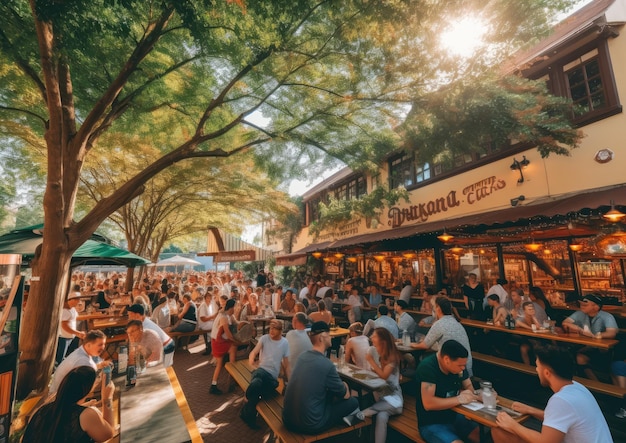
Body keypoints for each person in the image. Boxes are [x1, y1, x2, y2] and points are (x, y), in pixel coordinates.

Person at [493, 344, 612, 443]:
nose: (536, 370)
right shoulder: (577, 387)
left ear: (547, 373)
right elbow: (561, 417)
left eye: (537, 366)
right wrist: (531, 410)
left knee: (500, 433)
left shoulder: (561, 400)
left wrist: (513, 425)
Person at [283, 321, 361, 433]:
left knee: (327, 395)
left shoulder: (302, 357)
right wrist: (345, 385)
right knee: (353, 402)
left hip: (288, 420)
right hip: (310, 424)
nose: (331, 338)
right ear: (321, 337)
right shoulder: (327, 364)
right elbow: (345, 395)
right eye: (328, 335)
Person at [23, 366, 116, 443]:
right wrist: (107, 398)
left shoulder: (42, 410)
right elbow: (109, 434)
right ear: (87, 389)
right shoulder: (86, 415)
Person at [415, 339, 480, 443]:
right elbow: (428, 403)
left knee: (483, 437)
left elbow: (468, 386)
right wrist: (459, 399)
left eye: (464, 365)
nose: (463, 368)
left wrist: (477, 395)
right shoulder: (427, 368)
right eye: (460, 366)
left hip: (456, 417)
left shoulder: (459, 365)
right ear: (446, 359)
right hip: (432, 423)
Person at [240, 319, 290, 429]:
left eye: (275, 329)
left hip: (271, 378)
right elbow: (254, 352)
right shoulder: (264, 339)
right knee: (258, 380)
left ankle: (246, 406)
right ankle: (250, 419)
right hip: (260, 371)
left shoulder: (284, 343)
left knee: (259, 385)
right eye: (270, 328)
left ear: (280, 331)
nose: (271, 331)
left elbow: (286, 365)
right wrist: (251, 360)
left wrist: (289, 381)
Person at [357, 327, 403, 443]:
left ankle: (355, 418)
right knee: (381, 417)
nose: (372, 338)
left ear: (383, 341)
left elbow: (384, 376)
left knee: (363, 413)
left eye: (375, 336)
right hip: (383, 401)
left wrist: (370, 361)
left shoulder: (392, 356)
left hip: (394, 401)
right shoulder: (383, 355)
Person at [561, 293, 618, 379]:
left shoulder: (607, 316)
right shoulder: (580, 313)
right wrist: (580, 330)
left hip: (602, 350)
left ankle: (596, 385)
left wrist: (597, 335)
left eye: (585, 305)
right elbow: (565, 323)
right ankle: (594, 384)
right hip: (586, 346)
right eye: (581, 304)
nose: (582, 306)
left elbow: (612, 333)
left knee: (578, 357)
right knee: (570, 355)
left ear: (596, 307)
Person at [411, 296, 473, 375]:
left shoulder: (439, 324)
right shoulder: (456, 323)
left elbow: (425, 345)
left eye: (434, 307)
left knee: (426, 362)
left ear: (438, 309)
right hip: (467, 366)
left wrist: (412, 345)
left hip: (455, 367)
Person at [49, 330, 109, 396]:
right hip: (60, 398)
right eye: (100, 344)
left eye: (104, 344)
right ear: (88, 345)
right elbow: (86, 390)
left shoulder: (79, 352)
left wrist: (99, 365)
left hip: (56, 392)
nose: (103, 348)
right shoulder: (84, 361)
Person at [210, 298, 238, 394]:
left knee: (219, 364)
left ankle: (214, 384)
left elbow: (236, 323)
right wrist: (237, 341)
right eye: (235, 307)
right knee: (233, 347)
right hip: (218, 342)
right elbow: (228, 334)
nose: (236, 309)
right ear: (232, 307)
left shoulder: (226, 314)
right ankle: (232, 379)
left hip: (216, 341)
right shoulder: (224, 317)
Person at [56, 293, 86, 367]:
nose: (78, 301)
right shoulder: (65, 311)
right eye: (77, 299)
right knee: (60, 358)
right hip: (64, 337)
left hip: (69, 337)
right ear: (71, 300)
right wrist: (77, 333)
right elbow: (65, 326)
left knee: (65, 356)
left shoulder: (72, 309)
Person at [197, 290, 219, 355]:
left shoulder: (210, 305)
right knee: (216, 326)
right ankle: (211, 347)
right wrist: (213, 317)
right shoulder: (203, 306)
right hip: (203, 324)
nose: (209, 299)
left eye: (210, 297)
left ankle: (211, 347)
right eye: (208, 297)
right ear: (205, 298)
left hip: (209, 322)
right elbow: (203, 318)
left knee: (217, 325)